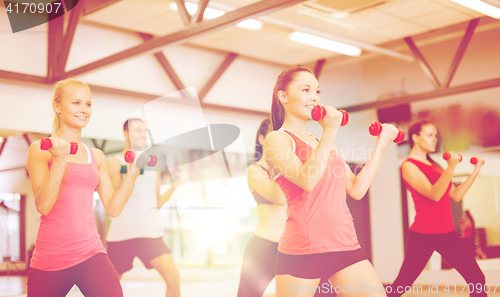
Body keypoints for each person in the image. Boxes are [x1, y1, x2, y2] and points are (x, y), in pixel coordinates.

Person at [264, 66, 399, 297]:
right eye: (305, 90)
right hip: (303, 250)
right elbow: (307, 180)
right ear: (283, 97)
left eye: (317, 91)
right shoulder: (277, 140)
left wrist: (382, 145)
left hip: (344, 244)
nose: (314, 97)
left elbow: (357, 188)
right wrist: (329, 130)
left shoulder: (322, 140)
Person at [26, 78, 143, 297]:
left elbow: (113, 208)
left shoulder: (96, 156)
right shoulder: (40, 150)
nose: (84, 110)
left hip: (91, 253)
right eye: (76, 103)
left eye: (88, 104)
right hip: (50, 259)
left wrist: (132, 175)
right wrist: (60, 161)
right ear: (57, 107)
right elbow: (43, 205)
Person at [389, 121, 486, 297]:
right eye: (429, 135)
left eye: (435, 135)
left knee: (477, 279)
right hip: (423, 236)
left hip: (446, 234)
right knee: (401, 285)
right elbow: (434, 194)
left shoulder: (436, 166)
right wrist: (451, 166)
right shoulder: (408, 166)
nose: (435, 139)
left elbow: (455, 195)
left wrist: (475, 170)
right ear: (416, 138)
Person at [106, 118, 180, 297]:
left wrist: (175, 185)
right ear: (126, 134)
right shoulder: (114, 163)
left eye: (145, 131)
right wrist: (131, 174)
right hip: (122, 235)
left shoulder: (153, 167)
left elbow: (156, 204)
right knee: (109, 288)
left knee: (173, 278)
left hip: (150, 234)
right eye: (138, 130)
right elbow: (114, 201)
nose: (143, 135)